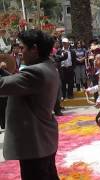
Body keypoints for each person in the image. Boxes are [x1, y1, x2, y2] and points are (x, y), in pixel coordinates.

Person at [0, 29, 59, 179]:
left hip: (34, 144)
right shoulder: (47, 66)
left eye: (23, 48)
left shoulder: (35, 73)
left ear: (34, 49)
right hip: (41, 141)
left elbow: (3, 86)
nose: (20, 52)